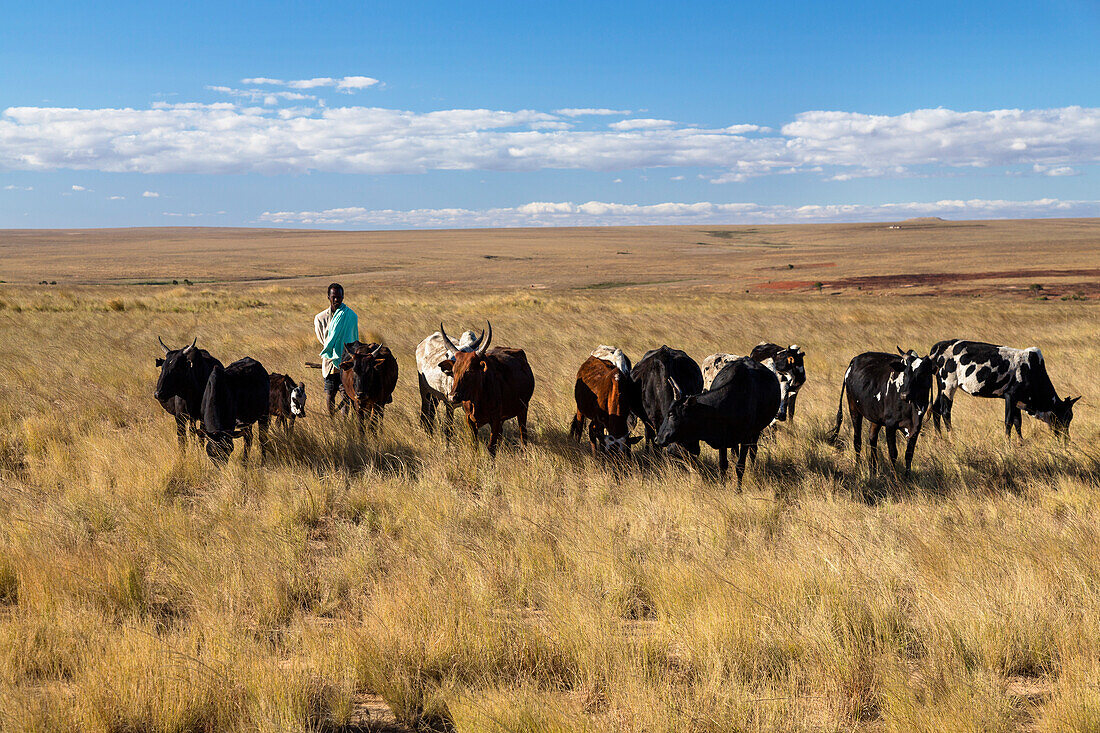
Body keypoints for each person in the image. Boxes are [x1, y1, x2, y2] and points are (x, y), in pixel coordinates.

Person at [314, 283, 360, 415]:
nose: (336, 300)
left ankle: (345, 421)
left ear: (343, 297)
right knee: (330, 393)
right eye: (333, 297)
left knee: (346, 393)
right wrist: (333, 348)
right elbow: (324, 341)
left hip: (346, 362)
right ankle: (331, 418)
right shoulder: (320, 318)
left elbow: (354, 339)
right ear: (328, 297)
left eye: (339, 297)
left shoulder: (351, 316)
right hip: (329, 361)